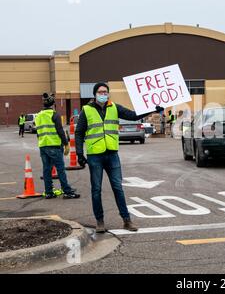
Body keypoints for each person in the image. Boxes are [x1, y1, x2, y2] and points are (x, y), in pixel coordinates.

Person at [75, 82, 162, 233]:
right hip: (95, 155)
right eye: (100, 92)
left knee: (118, 188)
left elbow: (134, 115)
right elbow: (79, 133)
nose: (103, 94)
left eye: (105, 92)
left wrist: (152, 109)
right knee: (96, 189)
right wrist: (79, 153)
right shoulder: (86, 110)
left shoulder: (114, 107)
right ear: (95, 94)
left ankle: (126, 220)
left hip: (112, 154)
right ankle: (100, 221)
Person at [35, 93, 80, 200]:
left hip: (43, 146)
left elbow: (38, 133)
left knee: (47, 170)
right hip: (54, 146)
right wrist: (66, 144)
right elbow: (60, 130)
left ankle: (49, 192)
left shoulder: (38, 116)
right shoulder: (54, 115)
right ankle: (67, 191)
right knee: (60, 169)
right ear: (53, 104)